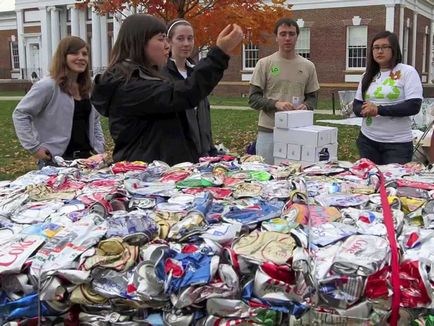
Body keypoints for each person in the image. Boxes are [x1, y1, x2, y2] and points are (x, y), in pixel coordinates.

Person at [91, 14, 243, 165]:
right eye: (161, 38)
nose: (167, 45)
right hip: (146, 178)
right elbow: (184, 93)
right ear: (140, 42)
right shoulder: (128, 85)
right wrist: (219, 54)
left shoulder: (144, 78)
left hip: (163, 174)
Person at [13, 36, 105, 168]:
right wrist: (34, 148)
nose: (81, 57)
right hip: (56, 162)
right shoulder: (48, 86)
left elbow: (94, 120)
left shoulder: (87, 88)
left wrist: (99, 146)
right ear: (63, 56)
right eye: (74, 53)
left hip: (87, 161)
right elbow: (20, 114)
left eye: (85, 54)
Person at [249, 17, 320, 164]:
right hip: (269, 131)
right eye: (283, 34)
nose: (287, 38)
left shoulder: (308, 66)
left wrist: (306, 106)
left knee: (294, 176)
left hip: (298, 131)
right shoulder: (264, 64)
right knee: (265, 176)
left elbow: (313, 98)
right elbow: (253, 99)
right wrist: (276, 104)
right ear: (276, 37)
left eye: (291, 34)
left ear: (297, 36)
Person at [353, 31, 423, 165]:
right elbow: (357, 104)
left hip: (397, 145)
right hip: (367, 140)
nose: (379, 51)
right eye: (376, 47)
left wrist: (378, 110)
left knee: (393, 183)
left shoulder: (407, 72)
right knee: (370, 181)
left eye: (384, 47)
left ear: (394, 49)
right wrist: (363, 110)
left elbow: (413, 106)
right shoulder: (367, 75)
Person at [161, 18, 217, 158]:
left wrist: (210, 147)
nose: (186, 43)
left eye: (190, 38)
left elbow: (204, 114)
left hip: (202, 154)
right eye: (180, 38)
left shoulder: (195, 73)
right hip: (177, 156)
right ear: (169, 41)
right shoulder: (163, 76)